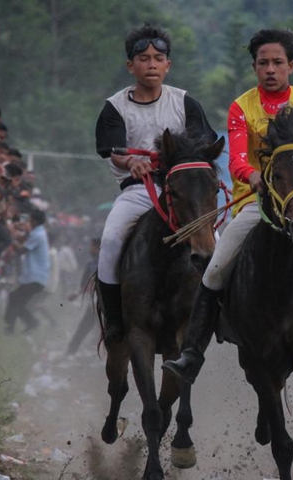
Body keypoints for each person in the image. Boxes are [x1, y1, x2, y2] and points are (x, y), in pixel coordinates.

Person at [163, 29, 293, 393]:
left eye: (277, 62)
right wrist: (256, 177)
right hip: (254, 206)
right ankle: (191, 356)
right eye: (263, 63)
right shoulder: (240, 107)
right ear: (254, 67)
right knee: (214, 271)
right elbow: (237, 160)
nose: (270, 69)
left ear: (291, 65)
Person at [94, 23, 216, 345]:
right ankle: (115, 322)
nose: (151, 64)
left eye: (158, 58)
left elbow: (203, 146)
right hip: (138, 192)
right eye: (143, 58)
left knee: (220, 239)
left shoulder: (185, 102)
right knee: (110, 240)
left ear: (168, 65)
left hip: (185, 192)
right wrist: (132, 162)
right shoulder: (115, 107)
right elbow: (115, 152)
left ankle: (219, 315)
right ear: (130, 65)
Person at [4, 209, 50, 334]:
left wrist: (10, 238)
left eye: (29, 219)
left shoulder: (38, 235)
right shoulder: (38, 232)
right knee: (18, 301)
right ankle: (29, 323)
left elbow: (21, 250)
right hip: (35, 277)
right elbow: (24, 239)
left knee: (15, 298)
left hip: (35, 277)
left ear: (34, 221)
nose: (27, 222)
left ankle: (11, 327)